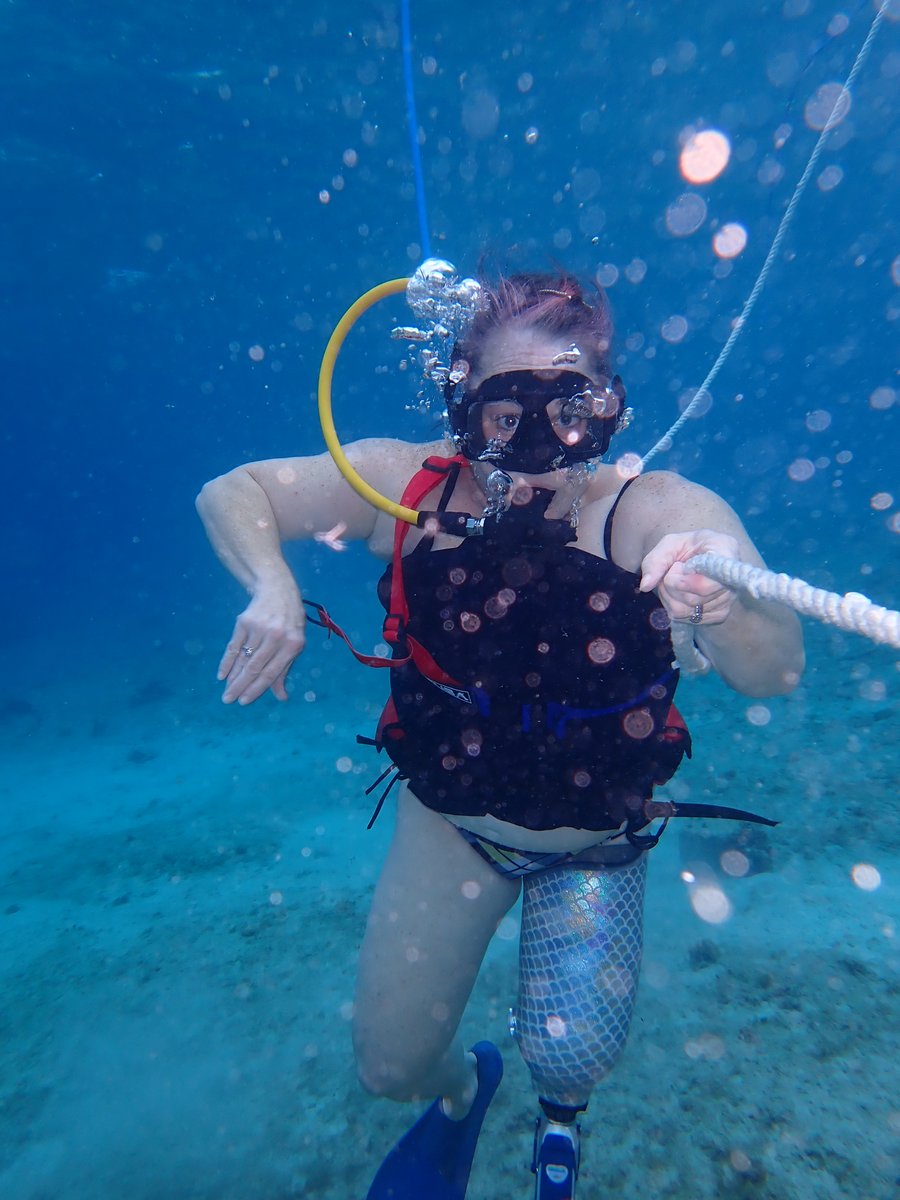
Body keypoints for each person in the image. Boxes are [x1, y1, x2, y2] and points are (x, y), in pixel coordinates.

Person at [196, 271, 804, 1199]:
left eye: (570, 410)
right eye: (503, 413)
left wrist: (723, 604)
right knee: (389, 1069)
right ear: (460, 402)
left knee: (573, 1062)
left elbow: (777, 669)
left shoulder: (653, 510)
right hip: (453, 833)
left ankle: (559, 1117)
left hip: (599, 841)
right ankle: (464, 1092)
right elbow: (233, 492)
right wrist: (271, 584)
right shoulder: (405, 486)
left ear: (608, 406)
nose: (538, 450)